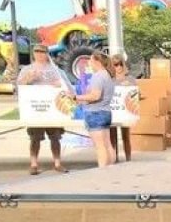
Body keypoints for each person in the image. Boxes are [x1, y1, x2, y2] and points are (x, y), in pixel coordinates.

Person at [17, 45, 69, 175]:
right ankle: (34, 164)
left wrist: (58, 85)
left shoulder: (55, 70)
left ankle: (57, 163)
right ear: (33, 53)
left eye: (42, 52)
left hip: (52, 109)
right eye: (37, 51)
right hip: (35, 109)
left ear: (47, 54)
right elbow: (19, 86)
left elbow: (65, 85)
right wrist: (28, 79)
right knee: (35, 138)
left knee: (55, 137)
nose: (39, 54)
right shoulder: (27, 69)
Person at [76, 51, 117, 167]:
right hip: (105, 111)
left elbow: (95, 96)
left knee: (100, 146)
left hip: (95, 112)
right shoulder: (108, 75)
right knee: (107, 144)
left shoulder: (98, 76)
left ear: (97, 61)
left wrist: (77, 97)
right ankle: (111, 168)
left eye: (91, 60)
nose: (89, 63)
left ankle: (102, 170)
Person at [108, 54, 134, 162]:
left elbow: (135, 94)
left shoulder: (130, 79)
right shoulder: (109, 80)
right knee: (112, 137)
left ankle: (128, 158)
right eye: (115, 64)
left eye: (120, 64)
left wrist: (128, 87)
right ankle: (115, 158)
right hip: (113, 112)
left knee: (126, 136)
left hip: (125, 112)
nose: (118, 67)